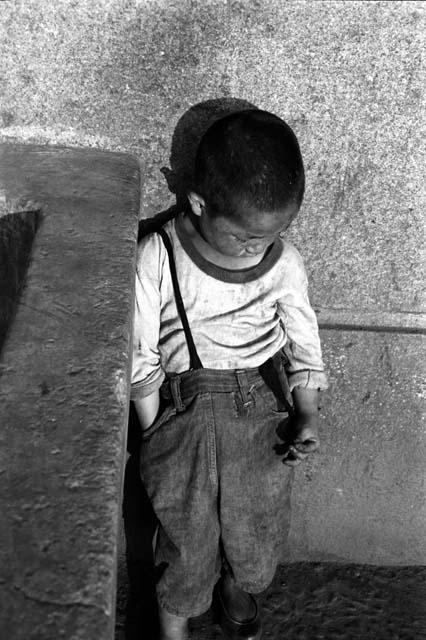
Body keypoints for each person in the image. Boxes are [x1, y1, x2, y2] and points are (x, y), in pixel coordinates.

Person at [130, 109, 328, 640]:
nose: (257, 248)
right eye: (243, 237)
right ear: (198, 203)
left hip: (261, 405)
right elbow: (140, 356)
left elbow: (304, 345)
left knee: (255, 524)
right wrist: (154, 426)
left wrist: (305, 414)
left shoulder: (285, 265)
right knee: (185, 534)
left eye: (273, 234)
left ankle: (237, 586)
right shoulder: (158, 256)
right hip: (183, 408)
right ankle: (174, 626)